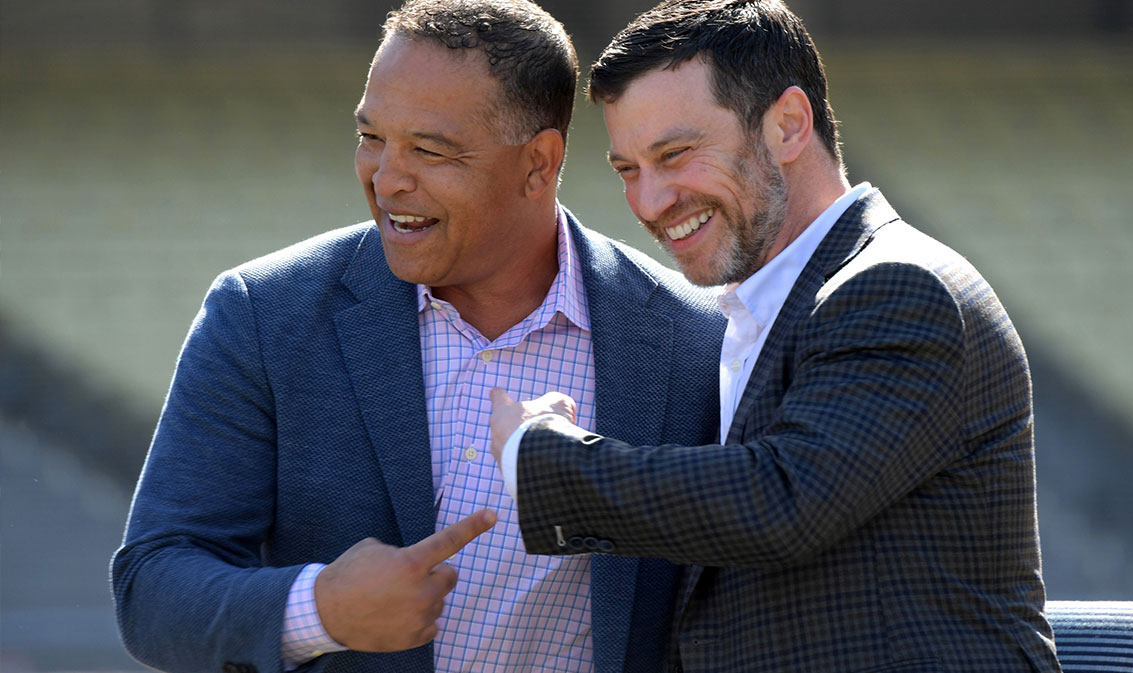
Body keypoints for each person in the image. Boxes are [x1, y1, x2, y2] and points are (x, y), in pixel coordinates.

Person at [110, 2, 725, 672]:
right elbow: (154, 587)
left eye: (429, 150)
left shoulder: (696, 342)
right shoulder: (262, 315)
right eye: (371, 137)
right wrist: (320, 609)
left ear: (538, 163)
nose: (385, 177)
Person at [488, 1, 1062, 671]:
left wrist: (544, 458)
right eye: (628, 170)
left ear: (788, 124)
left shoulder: (895, 286)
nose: (650, 202)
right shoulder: (744, 313)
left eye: (676, 154)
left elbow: (780, 501)